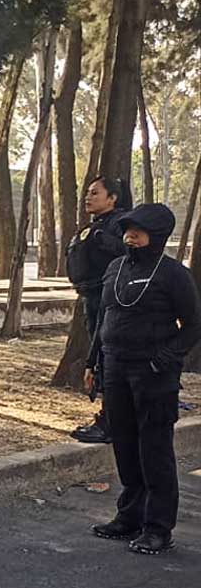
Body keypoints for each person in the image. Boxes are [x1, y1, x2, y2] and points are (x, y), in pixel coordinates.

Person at [86, 203, 201, 555]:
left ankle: (158, 527)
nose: (130, 236)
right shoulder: (115, 268)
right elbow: (105, 316)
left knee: (154, 450)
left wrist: (165, 358)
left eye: (137, 231)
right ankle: (129, 516)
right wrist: (93, 362)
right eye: (127, 230)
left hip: (154, 375)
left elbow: (194, 325)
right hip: (115, 368)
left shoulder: (173, 275)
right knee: (124, 445)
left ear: (157, 236)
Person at [65, 176, 132, 444]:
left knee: (106, 356)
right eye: (87, 193)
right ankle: (109, 416)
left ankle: (110, 422)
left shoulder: (119, 223)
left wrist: (102, 238)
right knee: (99, 354)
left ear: (112, 198)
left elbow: (127, 252)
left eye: (95, 193)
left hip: (110, 299)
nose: (88, 197)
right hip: (91, 297)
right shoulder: (96, 225)